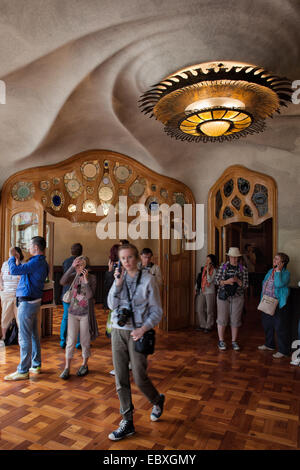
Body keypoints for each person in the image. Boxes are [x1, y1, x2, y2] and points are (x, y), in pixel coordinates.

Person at [107, 243, 164, 441]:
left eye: (130, 257)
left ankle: (157, 400)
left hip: (138, 333)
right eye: (123, 259)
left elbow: (157, 311)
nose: (126, 262)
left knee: (139, 378)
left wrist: (143, 328)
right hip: (118, 331)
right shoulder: (119, 279)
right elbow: (110, 305)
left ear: (137, 258)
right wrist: (118, 283)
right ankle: (127, 421)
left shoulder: (148, 280)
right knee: (120, 378)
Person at [4, 237, 49, 381]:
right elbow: (23, 272)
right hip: (34, 302)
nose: (28, 247)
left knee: (24, 338)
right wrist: (17, 259)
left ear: (35, 247)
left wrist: (12, 257)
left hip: (27, 303)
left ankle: (23, 370)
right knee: (33, 335)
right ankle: (35, 365)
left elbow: (14, 270)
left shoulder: (35, 262)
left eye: (30, 245)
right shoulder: (42, 262)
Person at [59, 256, 98, 379]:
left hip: (85, 314)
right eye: (78, 265)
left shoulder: (92, 278)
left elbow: (90, 295)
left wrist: (85, 281)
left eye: (81, 265)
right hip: (73, 313)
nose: (79, 268)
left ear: (86, 266)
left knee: (85, 341)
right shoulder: (73, 277)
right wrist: (71, 267)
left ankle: (84, 365)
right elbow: (62, 281)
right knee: (70, 341)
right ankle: (67, 368)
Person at [214, 247, 248, 351]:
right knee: (222, 319)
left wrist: (238, 281)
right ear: (228, 257)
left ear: (238, 258)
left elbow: (246, 285)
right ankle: (221, 341)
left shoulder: (243, 269)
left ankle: (234, 341)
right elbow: (216, 281)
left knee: (235, 319)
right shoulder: (222, 267)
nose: (233, 259)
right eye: (231, 257)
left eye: (235, 257)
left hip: (237, 297)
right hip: (223, 296)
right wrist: (226, 282)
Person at [258, 252, 290, 359]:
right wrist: (262, 298)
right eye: (274, 258)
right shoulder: (270, 271)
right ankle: (269, 344)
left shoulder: (286, 273)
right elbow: (264, 283)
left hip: (278, 304)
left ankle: (283, 350)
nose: (274, 260)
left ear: (282, 263)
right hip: (267, 302)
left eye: (277, 259)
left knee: (280, 327)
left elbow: (278, 284)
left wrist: (278, 271)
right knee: (267, 325)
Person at [60, 243, 83, 349]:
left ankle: (63, 340)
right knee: (79, 318)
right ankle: (78, 342)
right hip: (79, 293)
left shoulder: (66, 261)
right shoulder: (84, 261)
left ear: (71, 251)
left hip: (67, 293)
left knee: (65, 317)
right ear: (81, 251)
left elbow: (64, 278)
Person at [0, 247, 24, 347]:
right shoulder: (5, 264)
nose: (13, 256)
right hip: (6, 294)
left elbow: (22, 278)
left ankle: (21, 339)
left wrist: (17, 264)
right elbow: (1, 276)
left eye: (15, 254)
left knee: (20, 318)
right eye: (12, 254)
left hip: (18, 295)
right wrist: (1, 286)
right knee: (5, 317)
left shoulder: (23, 265)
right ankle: (3, 338)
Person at [195, 254, 217, 333]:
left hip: (210, 292)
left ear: (212, 261)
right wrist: (196, 288)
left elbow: (210, 280)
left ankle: (209, 326)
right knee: (199, 308)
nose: (207, 261)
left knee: (209, 310)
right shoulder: (203, 269)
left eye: (208, 260)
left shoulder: (214, 270)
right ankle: (202, 325)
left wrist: (208, 270)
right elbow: (200, 279)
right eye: (206, 259)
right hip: (202, 291)